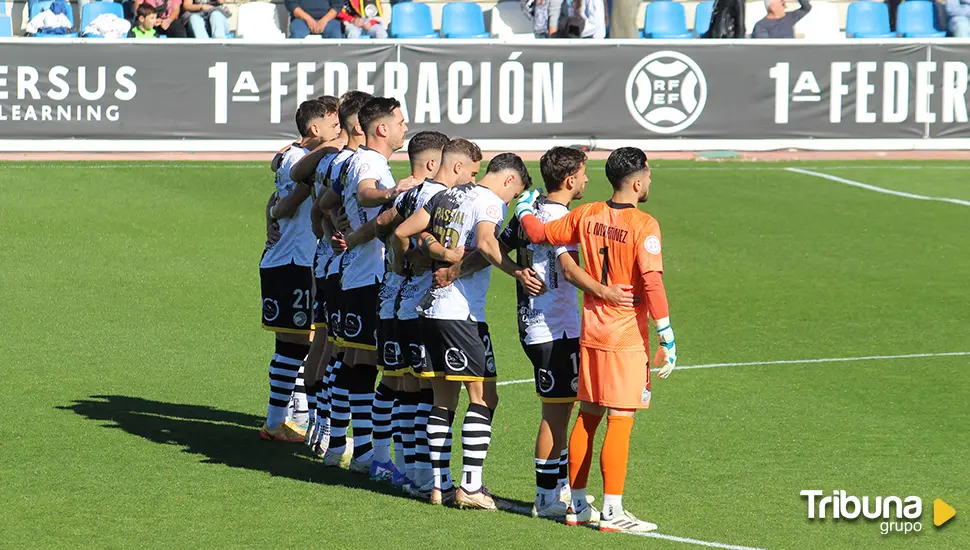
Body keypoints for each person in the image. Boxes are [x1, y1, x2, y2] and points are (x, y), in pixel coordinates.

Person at [512, 147, 678, 533]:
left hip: (591, 330)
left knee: (588, 415)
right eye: (649, 175)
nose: (650, 181)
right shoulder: (644, 224)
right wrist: (666, 336)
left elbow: (538, 233)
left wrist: (522, 206)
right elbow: (652, 282)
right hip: (623, 335)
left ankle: (577, 504)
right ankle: (613, 511)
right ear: (637, 181)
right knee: (620, 419)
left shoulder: (585, 215)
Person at [390, 153, 538, 510]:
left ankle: (439, 486)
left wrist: (413, 259)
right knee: (485, 397)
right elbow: (488, 244)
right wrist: (517, 271)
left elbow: (401, 232)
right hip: (461, 315)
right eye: (513, 193)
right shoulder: (489, 202)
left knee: (442, 401)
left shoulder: (447, 195)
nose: (509, 201)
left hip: (428, 310)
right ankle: (471, 486)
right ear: (508, 180)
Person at [326, 97, 414, 475]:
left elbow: (328, 202)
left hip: (356, 273)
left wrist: (336, 226)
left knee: (353, 361)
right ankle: (368, 456)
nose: (404, 126)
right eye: (400, 121)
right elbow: (364, 193)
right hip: (368, 277)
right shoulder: (370, 162)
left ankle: (340, 445)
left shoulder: (365, 160)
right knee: (368, 365)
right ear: (382, 128)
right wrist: (395, 194)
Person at [258, 98, 341, 443]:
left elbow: (275, 201)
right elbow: (287, 204)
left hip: (286, 259)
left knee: (293, 343)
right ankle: (279, 421)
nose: (339, 130)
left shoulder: (289, 155)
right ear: (314, 128)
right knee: (296, 344)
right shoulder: (296, 160)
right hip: (295, 262)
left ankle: (291, 417)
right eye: (334, 124)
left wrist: (271, 215)